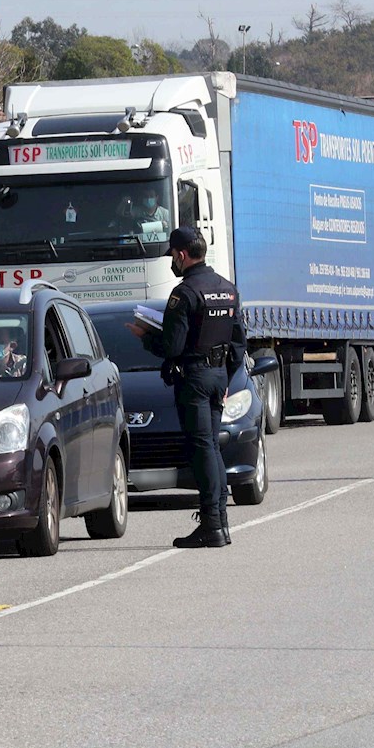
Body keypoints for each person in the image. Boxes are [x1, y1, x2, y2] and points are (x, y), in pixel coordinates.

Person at [133, 226, 245, 548]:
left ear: (181, 255)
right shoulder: (228, 290)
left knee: (203, 450)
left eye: (172, 255)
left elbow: (172, 345)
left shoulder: (184, 293)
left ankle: (212, 524)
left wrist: (145, 337)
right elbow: (239, 343)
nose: (172, 261)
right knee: (211, 447)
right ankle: (219, 523)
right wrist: (226, 379)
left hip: (194, 378)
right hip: (218, 376)